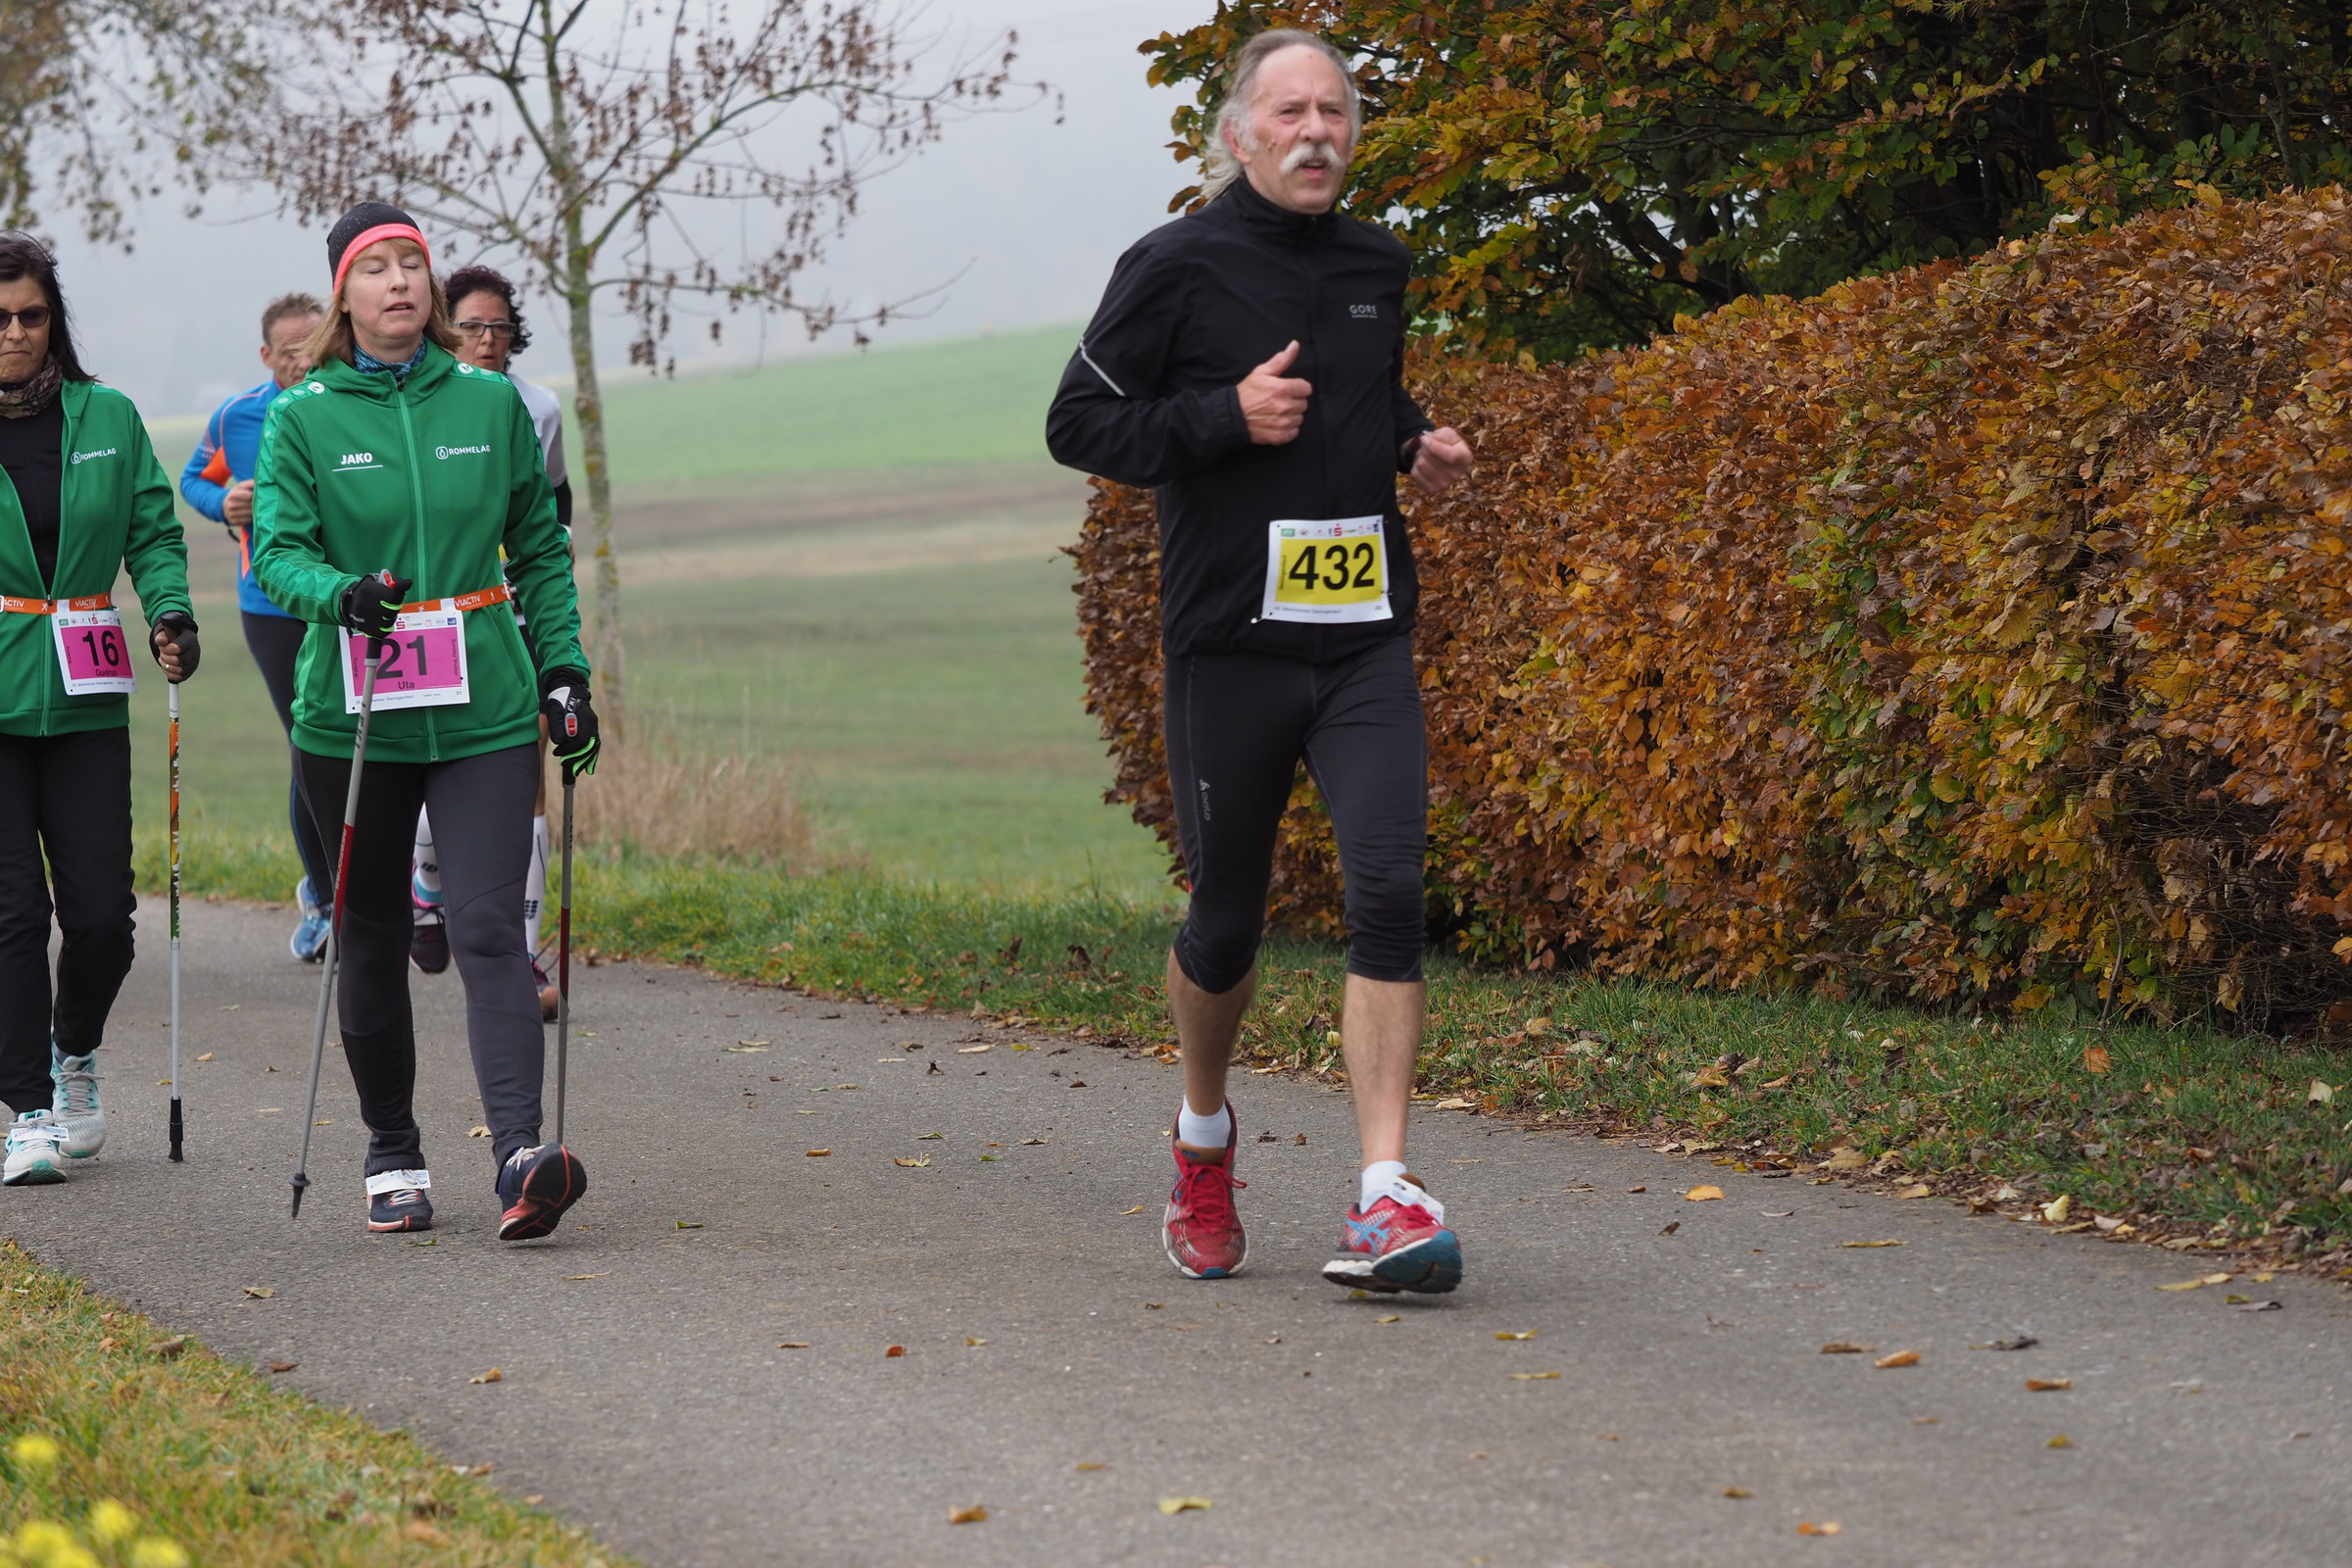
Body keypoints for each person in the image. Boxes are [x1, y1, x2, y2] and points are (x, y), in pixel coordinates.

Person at [1045, 30, 1476, 1293]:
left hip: (1364, 640)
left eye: (1334, 111)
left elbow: (1361, 394)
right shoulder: (1175, 265)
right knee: (1227, 922)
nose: (1315, 132)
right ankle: (1202, 1138)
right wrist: (1222, 417)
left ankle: (1386, 1193)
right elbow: (1078, 423)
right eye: (1289, 112)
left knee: (1388, 887)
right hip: (1232, 648)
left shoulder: (1376, 263)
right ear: (1238, 135)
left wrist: (1412, 441)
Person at [250, 202, 598, 1238]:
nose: (399, 280)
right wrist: (341, 594)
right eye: (377, 267)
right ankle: (392, 1149)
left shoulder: (491, 404)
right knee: (372, 934)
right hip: (354, 715)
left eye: (413, 263)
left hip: (484, 704)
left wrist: (564, 672)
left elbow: (540, 551)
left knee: (490, 925)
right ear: (344, 295)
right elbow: (280, 553)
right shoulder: (304, 414)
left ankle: (520, 1155)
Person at [0, 231, 200, 1185]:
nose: (14, 333)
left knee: (102, 919)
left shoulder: (109, 416)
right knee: (11, 914)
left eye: (31, 315)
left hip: (85, 693)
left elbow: (153, 534)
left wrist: (169, 610)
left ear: (55, 321)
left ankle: (71, 1050)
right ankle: (28, 1111)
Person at [407, 264, 569, 1018]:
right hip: (431, 618)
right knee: (434, 762)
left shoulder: (537, 408)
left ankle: (523, 951)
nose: (487, 339)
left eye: (501, 327)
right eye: (472, 326)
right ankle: (428, 878)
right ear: (445, 329)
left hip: (511, 612)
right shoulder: (416, 403)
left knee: (523, 765)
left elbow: (553, 505)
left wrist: (548, 565)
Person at [180, 293, 334, 963]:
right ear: (267, 355)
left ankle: (374, 890)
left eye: (314, 343)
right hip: (270, 606)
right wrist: (225, 501)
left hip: (345, 602)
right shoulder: (236, 416)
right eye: (291, 350)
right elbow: (192, 479)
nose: (304, 359)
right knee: (308, 745)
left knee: (360, 746)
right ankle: (324, 901)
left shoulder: (347, 401)